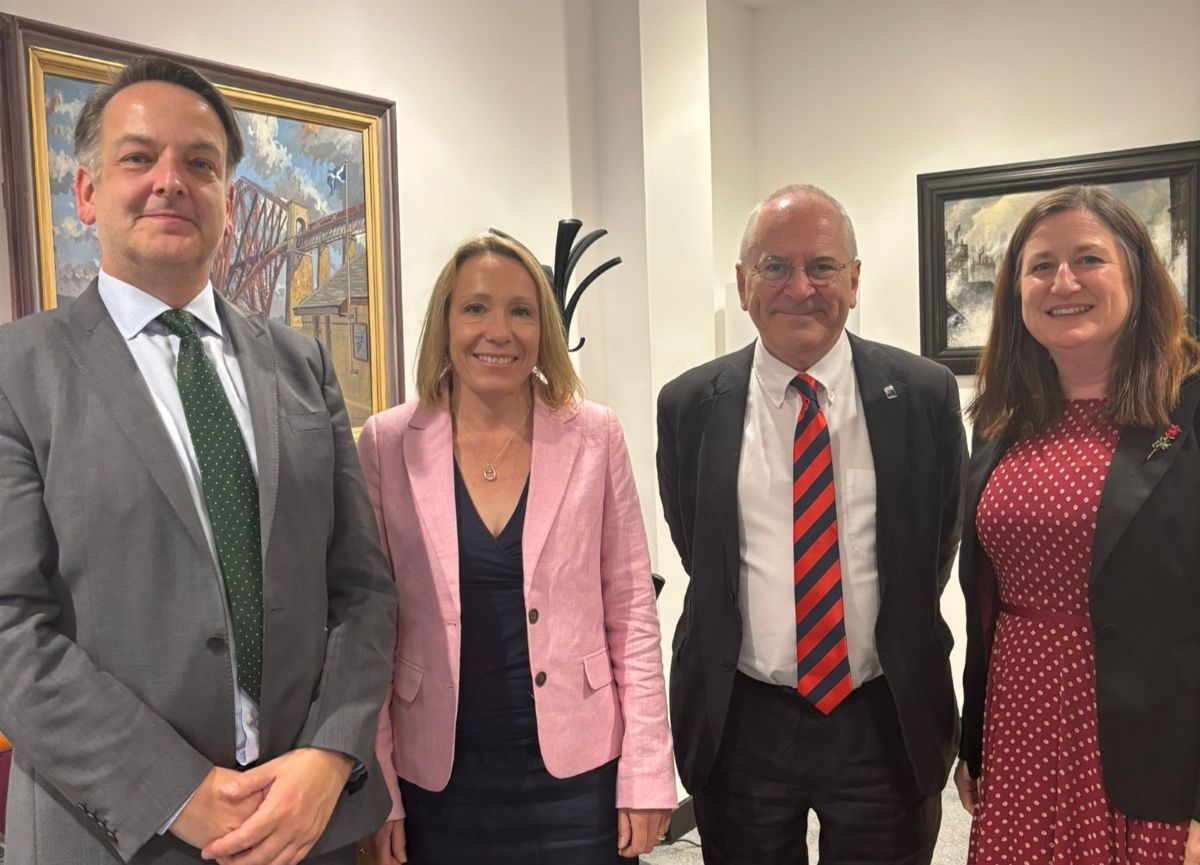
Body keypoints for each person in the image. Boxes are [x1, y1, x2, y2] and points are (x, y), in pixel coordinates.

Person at [0, 56, 397, 865]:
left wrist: (331, 752)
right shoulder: (18, 372)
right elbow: (10, 624)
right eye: (138, 157)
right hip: (111, 831)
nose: (170, 181)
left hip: (303, 828)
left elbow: (362, 591)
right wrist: (173, 789)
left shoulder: (302, 365)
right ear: (86, 194)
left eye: (201, 163)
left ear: (224, 197)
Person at [657, 184, 966, 864]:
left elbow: (934, 550)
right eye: (775, 266)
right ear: (742, 285)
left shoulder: (923, 395)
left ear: (854, 281)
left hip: (882, 712)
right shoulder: (688, 405)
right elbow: (697, 551)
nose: (800, 286)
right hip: (742, 718)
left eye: (822, 266)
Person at [358, 232, 676, 865]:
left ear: (544, 328)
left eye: (521, 310)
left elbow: (633, 613)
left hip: (577, 777)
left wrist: (646, 769)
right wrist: (379, 786)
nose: (497, 330)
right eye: (475, 307)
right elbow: (369, 629)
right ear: (445, 322)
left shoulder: (595, 435)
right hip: (439, 780)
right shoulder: (388, 443)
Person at [955, 184, 1200, 865]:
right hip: (1022, 724)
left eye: (1088, 258)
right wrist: (973, 741)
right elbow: (986, 603)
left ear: (1137, 274)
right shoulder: (1001, 422)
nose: (1063, 281)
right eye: (1040, 266)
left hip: (1153, 751)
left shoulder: (1190, 411)